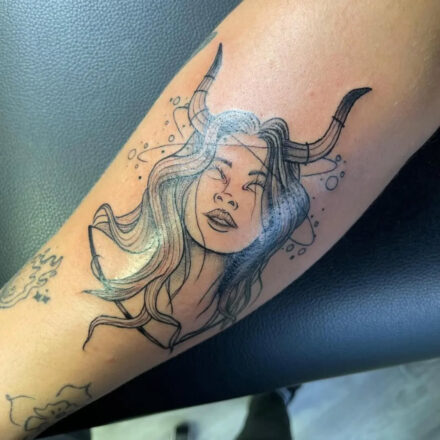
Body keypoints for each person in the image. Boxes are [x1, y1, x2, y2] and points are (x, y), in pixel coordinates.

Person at [0, 1, 439, 438]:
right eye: (219, 172)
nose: (230, 196)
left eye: (254, 185)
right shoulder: (109, 253)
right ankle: (272, 405)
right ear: (187, 175)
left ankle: (271, 406)